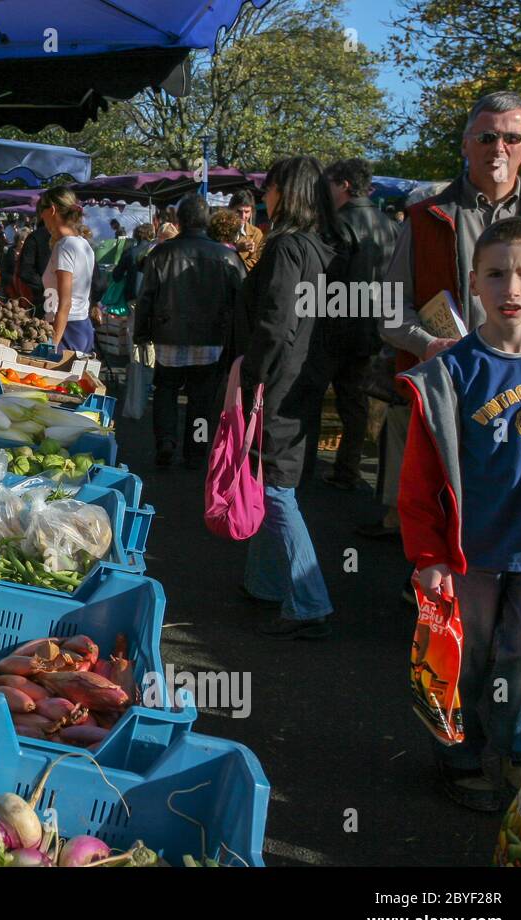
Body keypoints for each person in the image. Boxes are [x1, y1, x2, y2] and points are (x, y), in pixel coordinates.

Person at [399, 217, 521, 810]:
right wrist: (430, 555)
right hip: (470, 554)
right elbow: (419, 481)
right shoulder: (450, 372)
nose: (511, 286)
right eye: (496, 273)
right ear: (473, 282)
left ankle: (519, 755)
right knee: (463, 663)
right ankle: (461, 758)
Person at [370, 91, 521, 546]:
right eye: (488, 136)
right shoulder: (425, 218)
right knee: (438, 523)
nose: (499, 148)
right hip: (448, 395)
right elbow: (390, 310)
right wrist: (426, 345)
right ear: (466, 144)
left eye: (512, 137)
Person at [236, 156, 344, 640]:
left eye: (268, 186)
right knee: (269, 478)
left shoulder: (286, 248)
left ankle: (308, 599)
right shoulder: (324, 247)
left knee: (274, 483)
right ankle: (266, 582)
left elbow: (275, 323)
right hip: (305, 378)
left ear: (285, 191)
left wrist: (251, 374)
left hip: (277, 380)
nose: (264, 194)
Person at [134, 195, 245, 470]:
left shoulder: (161, 253)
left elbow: (146, 296)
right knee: (202, 400)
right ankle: (195, 451)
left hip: (168, 334)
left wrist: (142, 332)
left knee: (166, 390)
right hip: (211, 339)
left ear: (179, 221)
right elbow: (242, 299)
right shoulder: (227, 256)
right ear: (206, 220)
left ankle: (166, 441)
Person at [315, 158, 400, 490]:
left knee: (312, 399)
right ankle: (349, 468)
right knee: (357, 403)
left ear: (344, 186)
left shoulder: (336, 225)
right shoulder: (391, 226)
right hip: (375, 326)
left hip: (335, 326)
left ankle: (308, 470)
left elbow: (324, 278)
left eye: (331, 184)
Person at [37, 186, 96, 353]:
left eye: (43, 209)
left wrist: (52, 344)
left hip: (67, 330)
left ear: (53, 210)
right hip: (79, 327)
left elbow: (65, 303)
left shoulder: (65, 246)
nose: (41, 215)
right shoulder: (82, 243)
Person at [16, 217, 53, 314]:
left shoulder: (34, 237)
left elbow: (25, 271)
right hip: (44, 298)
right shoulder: (79, 239)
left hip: (43, 298)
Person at [229, 191, 266, 270]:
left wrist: (232, 268)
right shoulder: (221, 229)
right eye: (239, 211)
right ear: (231, 210)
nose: (243, 216)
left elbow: (256, 260)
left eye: (247, 212)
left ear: (251, 212)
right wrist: (236, 248)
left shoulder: (256, 233)